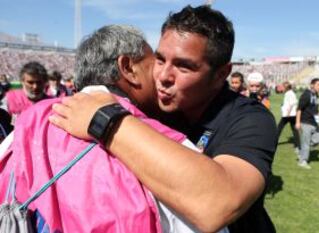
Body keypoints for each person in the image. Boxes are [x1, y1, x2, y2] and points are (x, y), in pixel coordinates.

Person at [50, 5, 278, 233]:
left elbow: (217, 205)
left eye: (183, 66)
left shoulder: (251, 119)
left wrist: (103, 120)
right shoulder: (157, 109)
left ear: (220, 74)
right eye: (160, 59)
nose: (163, 76)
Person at [0, 25, 205, 233]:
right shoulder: (164, 145)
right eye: (155, 64)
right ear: (128, 68)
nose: (161, 75)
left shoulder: (27, 124)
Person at [296, 78, 319, 169]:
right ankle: (302, 161)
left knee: (317, 140)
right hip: (305, 122)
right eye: (318, 84)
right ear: (312, 85)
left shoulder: (316, 95)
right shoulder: (306, 95)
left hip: (314, 122)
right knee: (306, 144)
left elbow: (315, 110)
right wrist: (297, 122)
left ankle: (301, 150)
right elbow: (299, 109)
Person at [277, 81, 300, 154]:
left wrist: (288, 112)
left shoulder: (289, 93)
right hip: (292, 114)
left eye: (283, 87)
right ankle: (298, 146)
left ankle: (273, 142)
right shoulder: (290, 93)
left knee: (279, 128)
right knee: (295, 130)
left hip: (288, 115)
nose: (282, 88)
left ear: (286, 87)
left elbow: (292, 103)